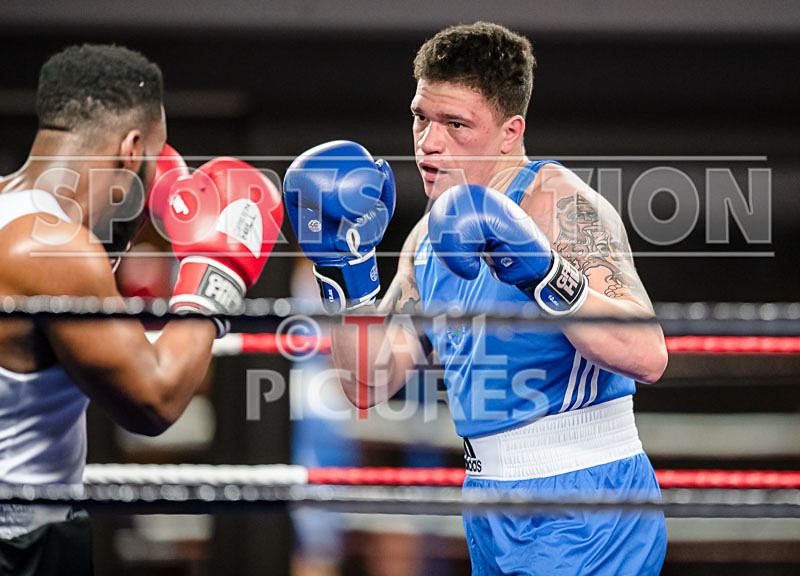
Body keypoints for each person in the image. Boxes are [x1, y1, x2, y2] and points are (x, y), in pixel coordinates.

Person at [284, 22, 668, 575]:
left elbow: (650, 355)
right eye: (420, 117)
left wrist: (543, 273)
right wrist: (347, 272)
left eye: (456, 124)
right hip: (489, 502)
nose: (428, 142)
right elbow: (367, 384)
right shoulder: (425, 239)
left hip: (587, 503)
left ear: (511, 130)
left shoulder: (559, 206)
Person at [0, 44, 282, 574]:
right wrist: (213, 271)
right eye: (152, 165)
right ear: (131, 150)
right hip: (20, 546)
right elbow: (155, 398)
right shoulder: (54, 249)